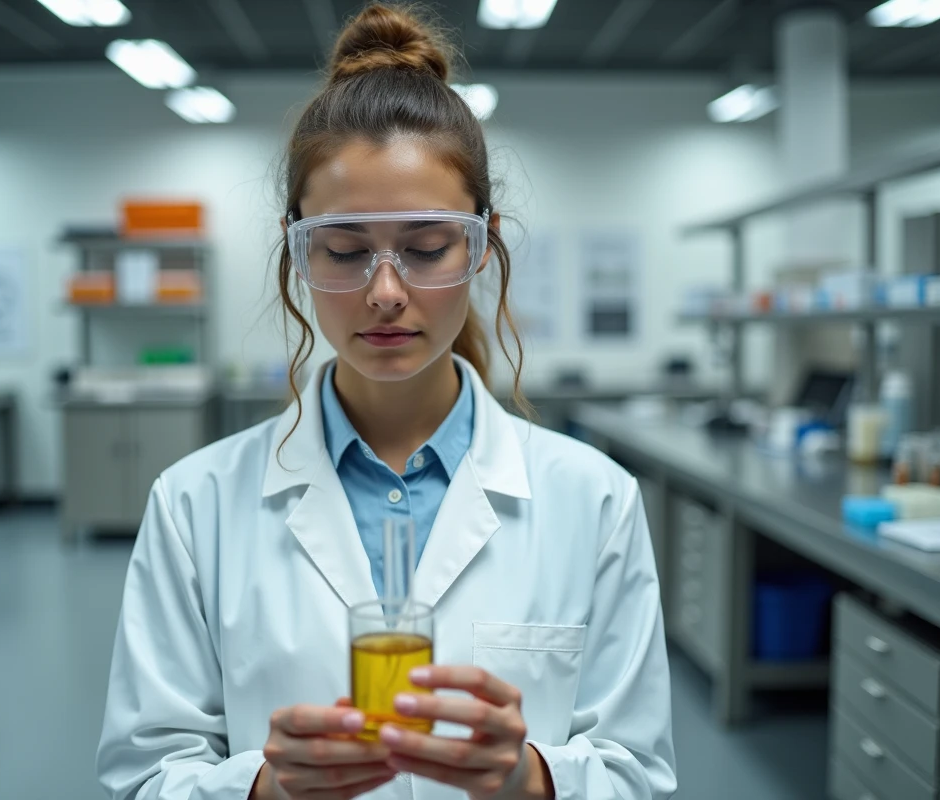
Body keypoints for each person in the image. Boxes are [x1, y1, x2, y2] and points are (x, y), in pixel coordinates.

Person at [96, 4, 676, 799]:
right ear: (297, 247)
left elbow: (637, 772)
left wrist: (531, 778)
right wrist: (264, 790)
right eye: (343, 250)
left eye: (427, 247)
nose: (386, 292)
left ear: (480, 243)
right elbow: (144, 776)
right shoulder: (195, 506)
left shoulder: (594, 498)